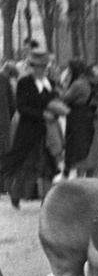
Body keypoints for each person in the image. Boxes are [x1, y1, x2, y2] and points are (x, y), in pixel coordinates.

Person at [0, 46, 59, 208]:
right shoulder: (24, 84)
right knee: (27, 164)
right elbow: (21, 107)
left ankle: (46, 202)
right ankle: (16, 194)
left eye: (43, 66)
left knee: (47, 165)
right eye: (37, 66)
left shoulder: (50, 83)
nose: (41, 69)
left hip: (48, 130)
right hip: (28, 128)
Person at [61, 60, 98, 180]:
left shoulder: (78, 84)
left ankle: (75, 179)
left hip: (78, 119)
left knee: (78, 151)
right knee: (88, 151)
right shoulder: (91, 82)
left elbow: (64, 98)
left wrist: (61, 86)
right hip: (90, 118)